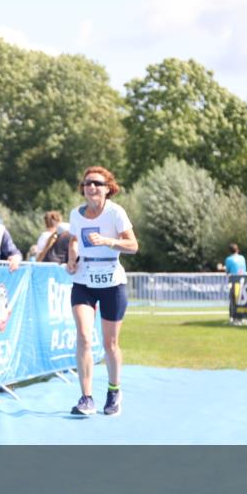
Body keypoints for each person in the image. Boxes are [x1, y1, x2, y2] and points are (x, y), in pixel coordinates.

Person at [65, 167, 138, 417]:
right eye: (87, 183)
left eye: (97, 183)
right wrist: (71, 259)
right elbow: (74, 240)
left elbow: (133, 245)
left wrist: (108, 241)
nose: (91, 187)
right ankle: (86, 398)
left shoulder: (116, 213)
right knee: (84, 336)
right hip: (84, 281)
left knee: (110, 343)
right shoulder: (76, 214)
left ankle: (114, 391)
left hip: (112, 283)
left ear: (108, 188)